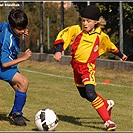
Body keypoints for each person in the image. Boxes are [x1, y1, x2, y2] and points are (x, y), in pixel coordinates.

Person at [53, 5, 128, 131]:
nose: (85, 23)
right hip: (76, 67)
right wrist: (59, 51)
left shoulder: (100, 36)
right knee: (84, 94)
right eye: (83, 20)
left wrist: (120, 54)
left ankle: (108, 121)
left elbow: (110, 46)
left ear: (96, 22)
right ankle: (106, 104)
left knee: (90, 93)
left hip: (88, 67)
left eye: (88, 21)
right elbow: (62, 37)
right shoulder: (76, 30)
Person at [0, 9, 32, 126]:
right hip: (3, 66)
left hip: (9, 64)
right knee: (24, 82)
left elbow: (1, 26)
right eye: (20, 29)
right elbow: (4, 64)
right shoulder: (7, 41)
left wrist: (21, 32)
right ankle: (16, 114)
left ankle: (14, 113)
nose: (22, 31)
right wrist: (24, 58)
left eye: (24, 28)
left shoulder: (7, 26)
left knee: (20, 88)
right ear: (12, 26)